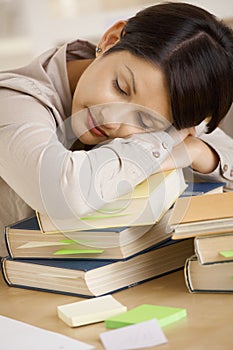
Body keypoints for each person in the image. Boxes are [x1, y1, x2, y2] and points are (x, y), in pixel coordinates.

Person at [0, 2, 233, 255]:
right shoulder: (13, 100)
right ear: (111, 39)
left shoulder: (161, 102)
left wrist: (195, 152)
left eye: (144, 121)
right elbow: (63, 191)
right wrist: (162, 142)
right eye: (120, 87)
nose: (111, 121)